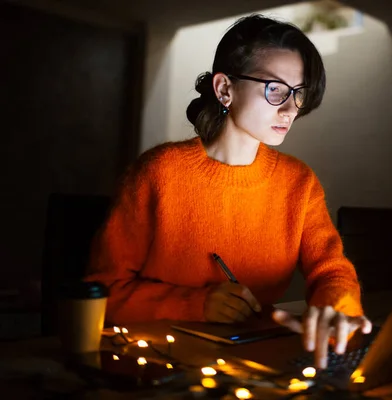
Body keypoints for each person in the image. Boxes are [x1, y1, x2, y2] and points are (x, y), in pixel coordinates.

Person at [86, 14, 371, 369]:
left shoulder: (299, 182)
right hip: (156, 361)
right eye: (275, 89)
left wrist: (332, 309)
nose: (289, 109)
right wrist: (195, 304)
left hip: (254, 360)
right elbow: (103, 290)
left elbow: (332, 272)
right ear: (224, 89)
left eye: (298, 94)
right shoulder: (159, 172)